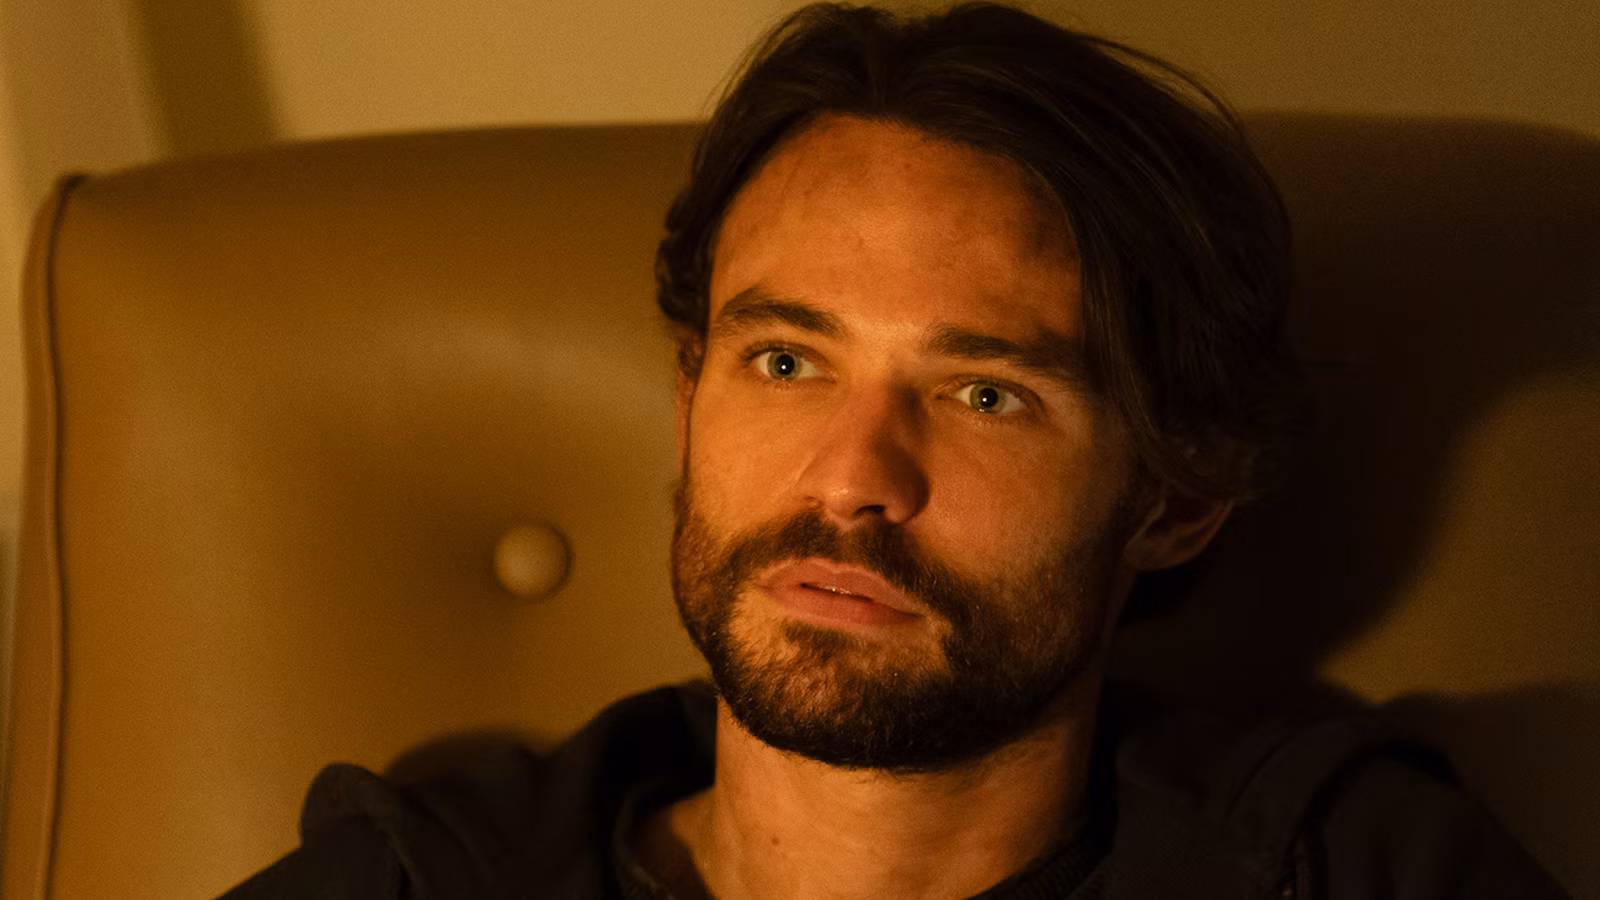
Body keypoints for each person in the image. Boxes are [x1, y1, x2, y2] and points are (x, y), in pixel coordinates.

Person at [226, 3, 1568, 898]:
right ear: (690, 398)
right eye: (785, 362)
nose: (852, 477)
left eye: (984, 394)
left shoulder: (1351, 869)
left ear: (1175, 498)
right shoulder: (413, 883)